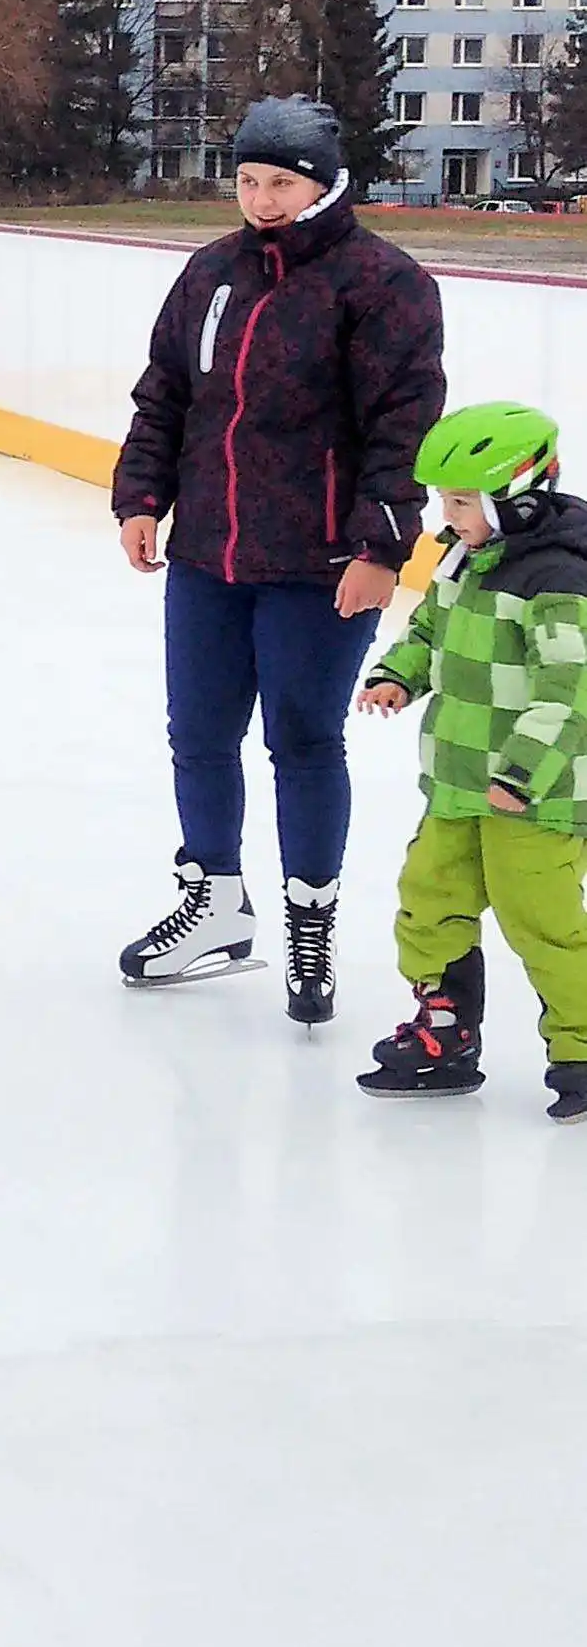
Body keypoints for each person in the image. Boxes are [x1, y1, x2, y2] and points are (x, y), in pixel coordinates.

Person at [110, 97, 443, 1018]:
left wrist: (381, 547)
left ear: (324, 181)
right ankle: (214, 899)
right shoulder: (209, 271)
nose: (258, 199)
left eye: (279, 183)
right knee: (199, 736)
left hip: (322, 559)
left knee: (301, 741)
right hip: (208, 551)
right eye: (248, 180)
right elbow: (165, 395)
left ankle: (309, 922)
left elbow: (401, 427)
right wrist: (141, 496)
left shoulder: (382, 282)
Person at [355, 403, 587, 1114]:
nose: (446, 513)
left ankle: (580, 1045)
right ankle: (445, 1032)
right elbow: (428, 627)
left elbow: (568, 693)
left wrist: (520, 774)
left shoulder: (557, 579)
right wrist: (397, 673)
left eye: (460, 500)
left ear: (514, 496)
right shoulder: (464, 556)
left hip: (534, 796)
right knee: (427, 900)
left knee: (541, 923)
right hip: (457, 781)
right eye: (443, 499)